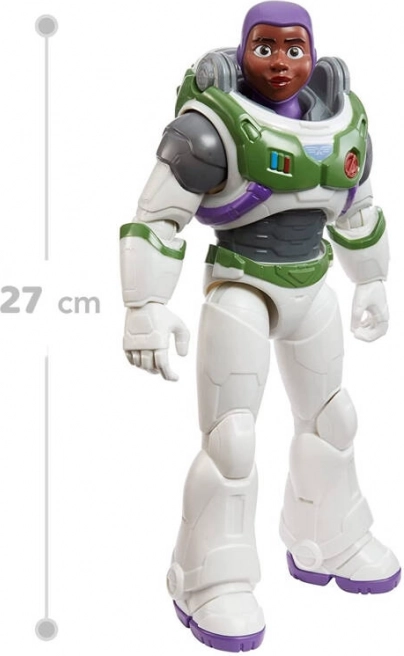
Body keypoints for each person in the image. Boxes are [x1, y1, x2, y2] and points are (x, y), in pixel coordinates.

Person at [119, 2, 401, 651]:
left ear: (313, 53)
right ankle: (209, 579)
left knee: (333, 420)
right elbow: (157, 218)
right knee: (233, 440)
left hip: (314, 286)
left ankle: (329, 536)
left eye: (294, 48)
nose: (280, 62)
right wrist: (144, 307)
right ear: (244, 50)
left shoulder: (343, 122)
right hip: (241, 286)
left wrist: (372, 279)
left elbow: (358, 209)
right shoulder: (210, 127)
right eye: (265, 47)